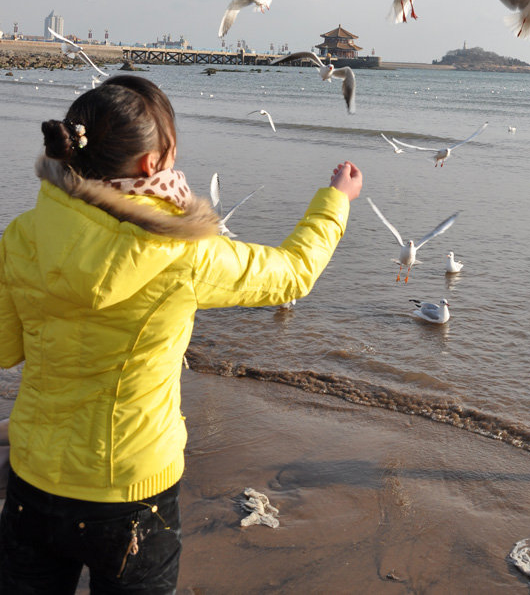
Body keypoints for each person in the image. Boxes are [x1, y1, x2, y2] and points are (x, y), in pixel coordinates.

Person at [0, 75, 362, 594]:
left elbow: (5, 348)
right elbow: (291, 275)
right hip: (131, 490)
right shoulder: (182, 251)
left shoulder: (23, 234)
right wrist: (336, 201)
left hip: (33, 480)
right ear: (151, 165)